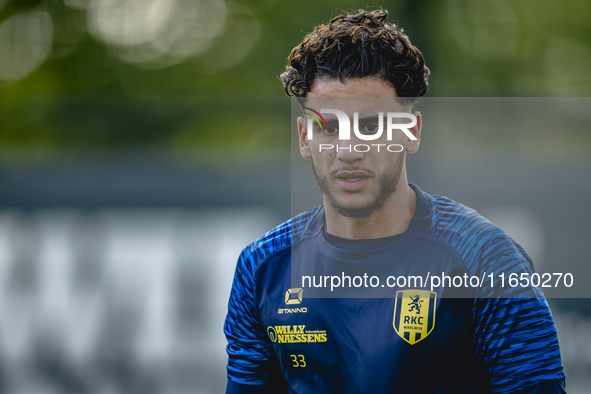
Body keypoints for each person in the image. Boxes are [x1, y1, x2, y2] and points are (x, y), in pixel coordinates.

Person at [224, 9, 566, 393]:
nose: (349, 150)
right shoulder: (261, 269)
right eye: (330, 127)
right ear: (304, 138)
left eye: (371, 126)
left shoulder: (484, 259)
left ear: (411, 132)